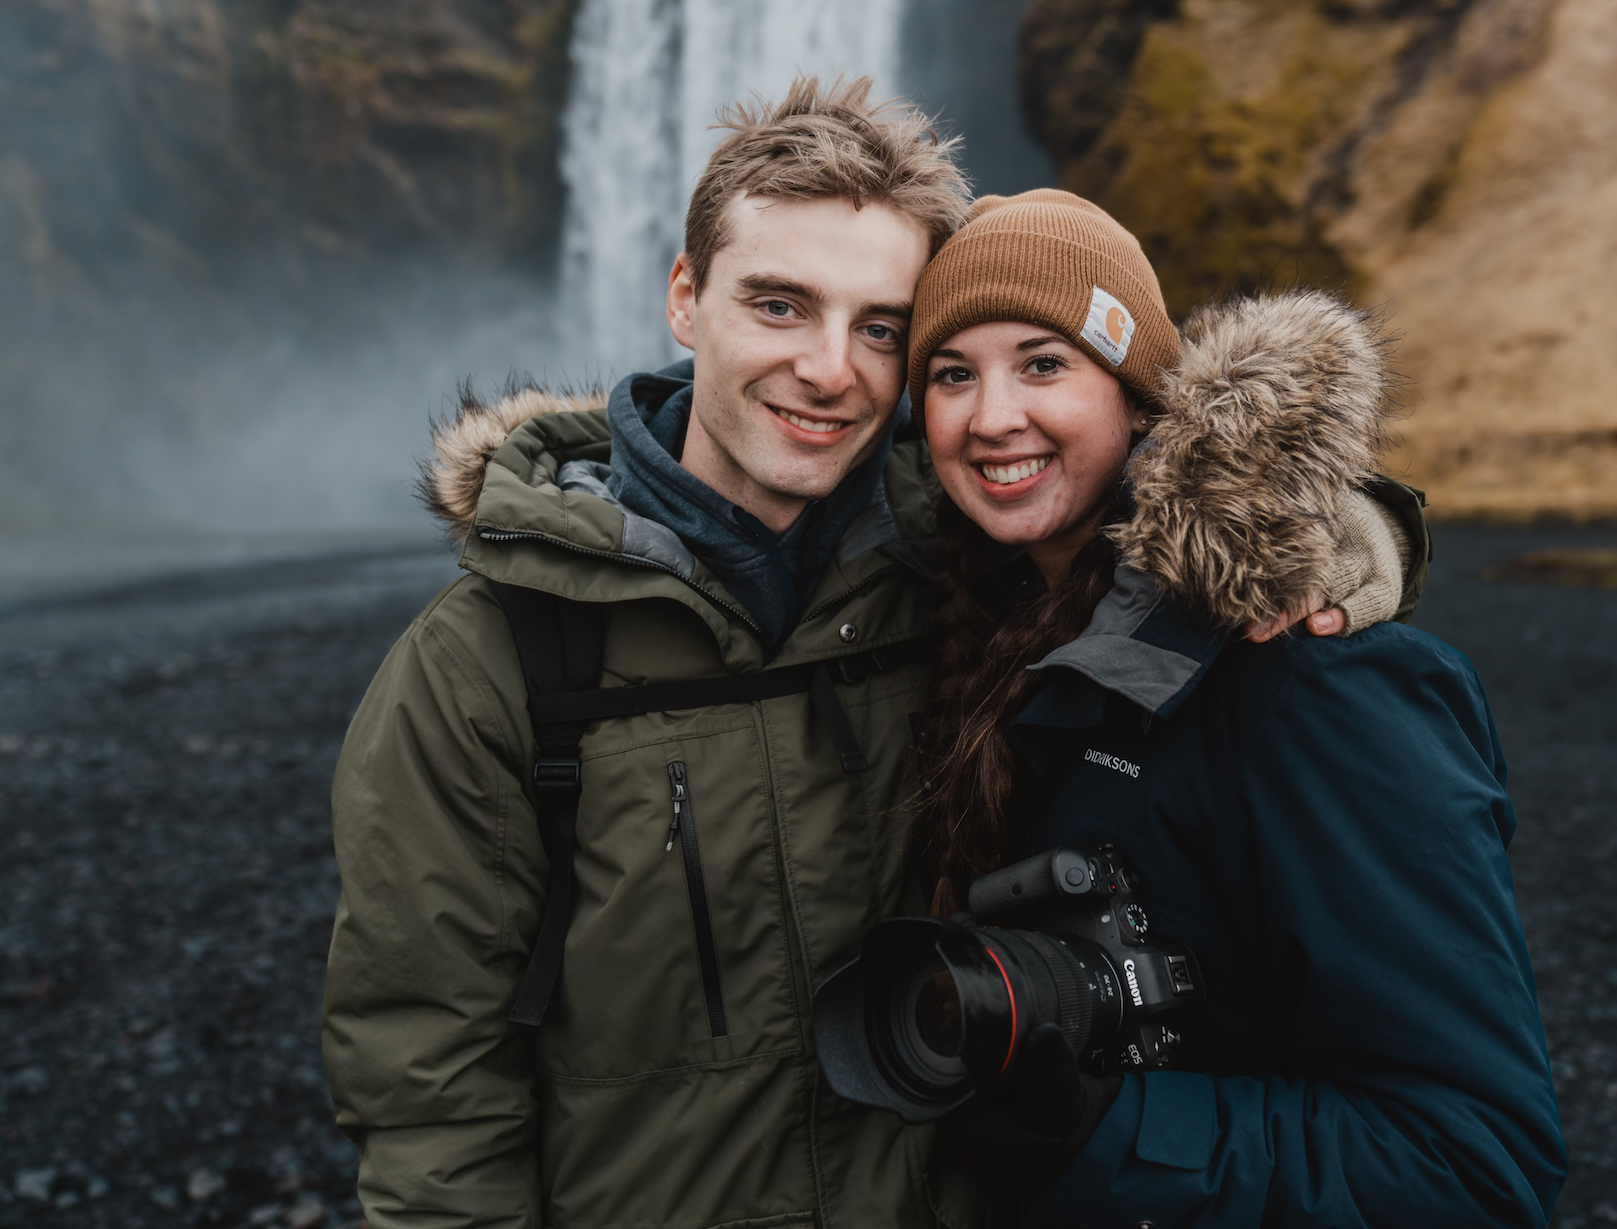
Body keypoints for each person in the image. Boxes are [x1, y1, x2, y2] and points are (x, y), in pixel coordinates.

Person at [320, 78, 1411, 1224]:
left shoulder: (962, 561)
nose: (831, 370)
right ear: (686, 300)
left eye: (881, 329)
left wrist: (1333, 527)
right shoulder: (489, 663)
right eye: (780, 305)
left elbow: (1127, 478)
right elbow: (427, 1089)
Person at [899, 189, 1567, 1227]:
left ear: (1134, 394)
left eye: (1042, 363)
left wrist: (1101, 1133)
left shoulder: (1308, 672)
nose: (992, 418)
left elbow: (1475, 1163)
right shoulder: (965, 622)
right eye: (952, 375)